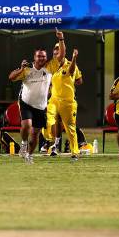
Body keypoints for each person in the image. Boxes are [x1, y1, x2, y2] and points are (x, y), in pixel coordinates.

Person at [8, 48, 53, 164]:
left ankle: (29, 154)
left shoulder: (49, 68)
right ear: (34, 57)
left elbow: (61, 55)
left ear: (46, 58)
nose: (41, 58)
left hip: (41, 106)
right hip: (26, 102)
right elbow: (11, 77)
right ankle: (23, 143)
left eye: (43, 56)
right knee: (27, 125)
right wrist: (21, 69)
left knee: (35, 134)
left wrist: (61, 39)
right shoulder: (27, 69)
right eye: (39, 56)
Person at [45, 31, 81, 160]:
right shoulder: (52, 65)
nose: (56, 54)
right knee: (51, 120)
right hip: (54, 100)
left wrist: (74, 58)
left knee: (70, 128)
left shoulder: (70, 64)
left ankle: (75, 152)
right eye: (54, 52)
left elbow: (74, 74)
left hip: (68, 101)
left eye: (58, 51)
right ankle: (53, 145)